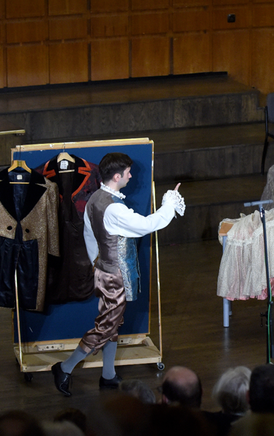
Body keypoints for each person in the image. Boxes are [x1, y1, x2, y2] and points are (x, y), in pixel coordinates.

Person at [52, 153, 184, 395]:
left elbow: (90, 237)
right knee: (106, 326)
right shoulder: (114, 208)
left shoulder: (94, 198)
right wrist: (170, 203)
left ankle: (108, 375)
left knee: (112, 323)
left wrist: (98, 264)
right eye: (127, 172)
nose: (130, 176)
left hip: (105, 270)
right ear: (116, 176)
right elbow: (146, 225)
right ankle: (64, 368)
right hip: (114, 276)